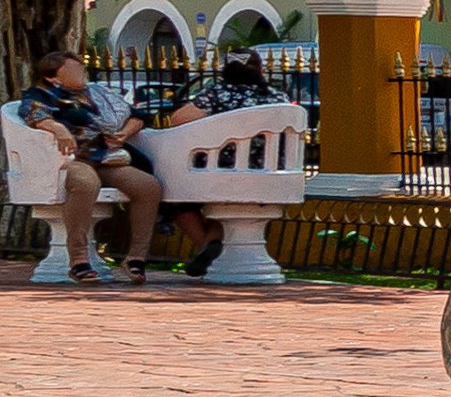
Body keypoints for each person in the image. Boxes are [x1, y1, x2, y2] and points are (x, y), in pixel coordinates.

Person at [16, 43, 162, 284]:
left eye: (81, 68)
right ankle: (79, 260)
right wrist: (58, 127)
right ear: (53, 78)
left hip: (105, 157)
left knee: (148, 187)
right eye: (73, 70)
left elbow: (137, 115)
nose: (82, 73)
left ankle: (136, 257)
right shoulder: (42, 94)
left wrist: (123, 135)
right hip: (71, 158)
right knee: (86, 182)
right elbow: (34, 114)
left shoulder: (98, 93)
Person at [148, 51, 282, 280]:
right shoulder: (277, 97)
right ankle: (211, 246)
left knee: (175, 195)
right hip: (267, 175)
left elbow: (178, 119)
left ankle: (208, 245)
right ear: (260, 69)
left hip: (217, 173)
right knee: (224, 199)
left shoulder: (216, 94)